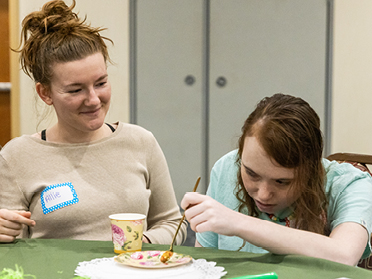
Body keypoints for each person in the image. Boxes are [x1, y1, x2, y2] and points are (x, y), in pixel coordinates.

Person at [0, 0, 186, 245]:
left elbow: (172, 223)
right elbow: (13, 247)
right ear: (45, 93)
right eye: (75, 90)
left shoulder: (140, 142)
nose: (93, 100)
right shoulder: (17, 157)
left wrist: (137, 246)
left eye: (100, 83)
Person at [181, 93, 372, 266]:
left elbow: (344, 255)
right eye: (251, 174)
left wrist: (237, 223)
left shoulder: (350, 184)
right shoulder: (227, 167)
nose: (263, 194)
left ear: (311, 170)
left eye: (282, 182)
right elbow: (204, 265)